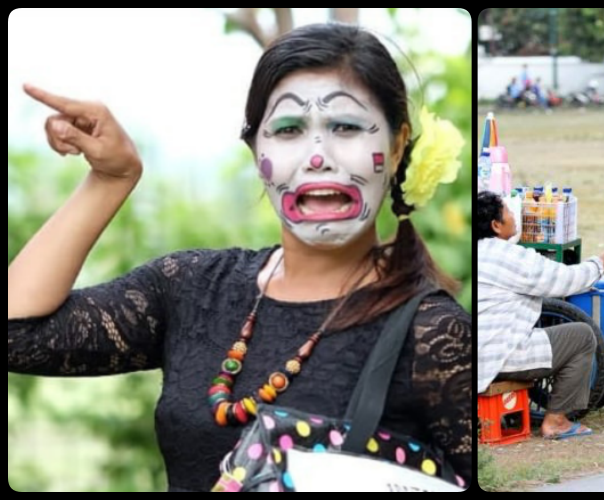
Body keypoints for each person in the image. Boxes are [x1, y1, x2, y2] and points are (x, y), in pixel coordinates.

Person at [8, 23, 472, 491]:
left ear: (396, 146)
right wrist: (110, 179)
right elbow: (16, 334)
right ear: (256, 151)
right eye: (288, 130)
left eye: (346, 127)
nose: (317, 156)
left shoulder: (434, 333)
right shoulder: (193, 288)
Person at [477, 191, 604, 439]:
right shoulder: (507, 256)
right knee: (582, 336)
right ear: (496, 225)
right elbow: (568, 280)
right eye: (509, 212)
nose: (514, 216)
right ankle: (556, 422)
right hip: (499, 354)